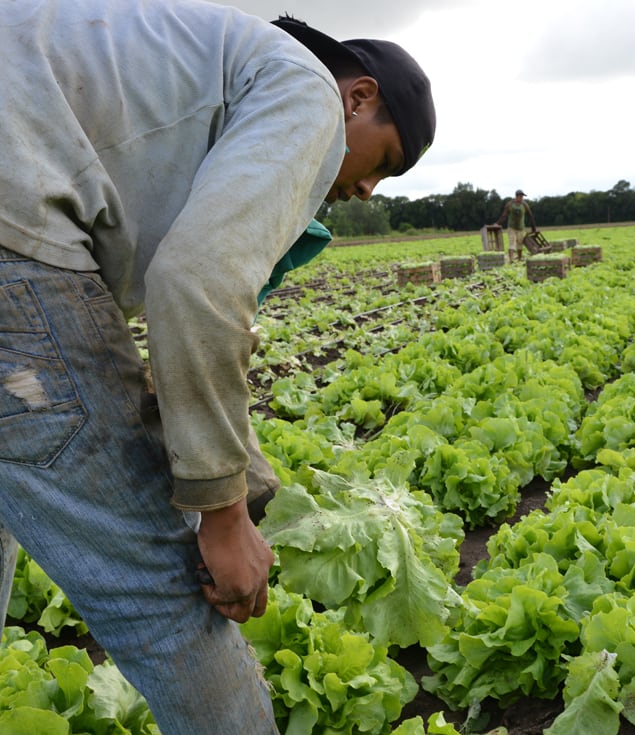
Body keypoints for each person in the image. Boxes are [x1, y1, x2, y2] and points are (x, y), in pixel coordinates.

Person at [0, 2, 434, 733]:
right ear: (358, 97)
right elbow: (195, 284)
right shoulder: (304, 88)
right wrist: (223, 515)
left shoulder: (193, 56)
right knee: (162, 593)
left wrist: (246, 477)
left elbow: (176, 318)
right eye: (383, 165)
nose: (365, 192)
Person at [495, 189, 537, 261]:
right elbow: (504, 215)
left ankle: (519, 259)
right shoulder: (510, 204)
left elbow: (530, 216)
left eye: (522, 197)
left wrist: (533, 227)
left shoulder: (524, 204)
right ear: (516, 196)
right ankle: (511, 259)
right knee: (512, 243)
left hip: (521, 228)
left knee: (520, 244)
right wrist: (497, 223)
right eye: (520, 196)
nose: (521, 198)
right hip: (512, 227)